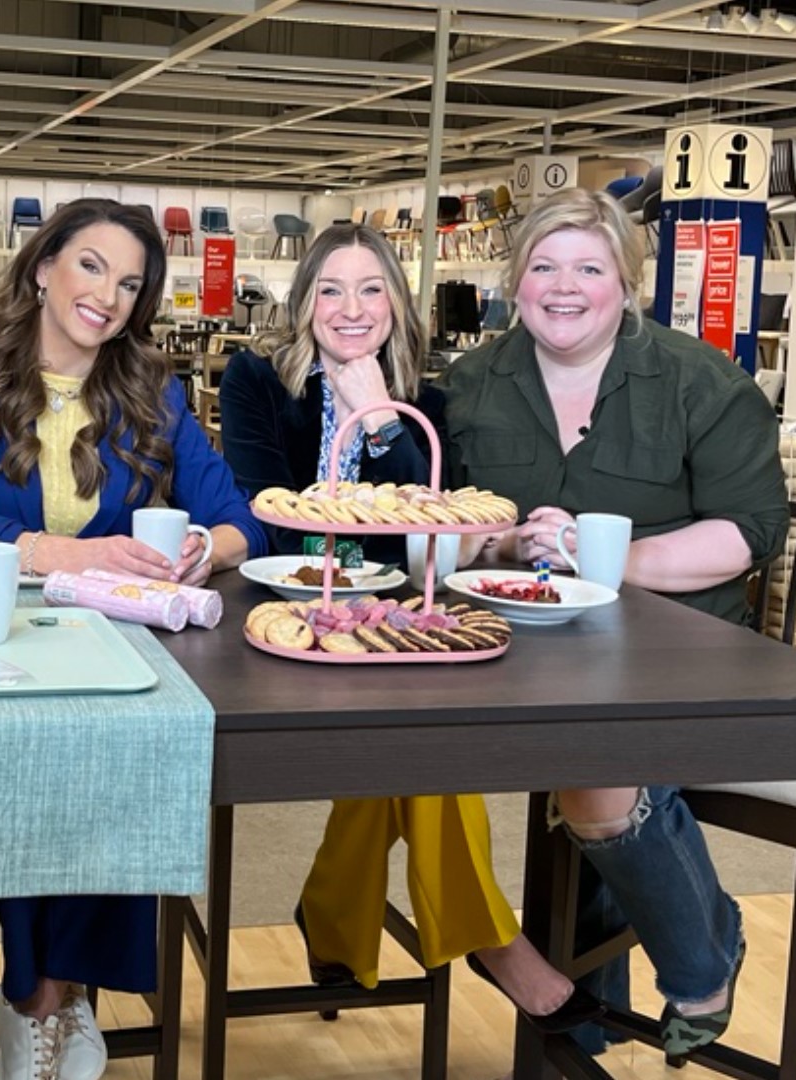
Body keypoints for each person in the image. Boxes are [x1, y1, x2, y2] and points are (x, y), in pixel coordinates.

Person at [0, 198, 266, 1080]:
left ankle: (50, 995)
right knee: (34, 768)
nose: (109, 294)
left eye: (131, 282)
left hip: (116, 653)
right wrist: (73, 550)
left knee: (126, 758)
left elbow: (240, 521)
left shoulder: (155, 393)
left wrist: (198, 552)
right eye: (92, 266)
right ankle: (38, 999)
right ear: (42, 268)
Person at [217, 222, 601, 1030]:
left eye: (369, 289)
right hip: (284, 620)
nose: (350, 309)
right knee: (423, 739)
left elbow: (429, 544)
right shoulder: (256, 381)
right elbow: (272, 517)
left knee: (418, 732)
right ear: (303, 303)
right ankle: (489, 939)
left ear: (397, 301)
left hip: (394, 616)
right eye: (330, 289)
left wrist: (381, 421)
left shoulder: (428, 405)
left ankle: (332, 914)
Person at [441, 187, 788, 1058]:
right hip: (517, 652)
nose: (565, 287)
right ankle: (575, 1020)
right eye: (543, 266)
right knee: (402, 745)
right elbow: (441, 519)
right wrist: (484, 539)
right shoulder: (470, 384)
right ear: (512, 281)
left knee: (589, 764)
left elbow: (746, 534)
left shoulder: (700, 383)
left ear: (627, 284)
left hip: (675, 653)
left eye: (589, 267)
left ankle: (703, 953)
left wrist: (616, 563)